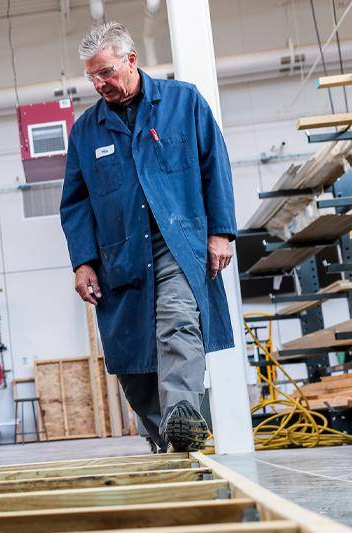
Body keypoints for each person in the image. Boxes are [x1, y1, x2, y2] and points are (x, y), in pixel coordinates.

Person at [60, 22, 237, 452]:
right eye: (92, 76)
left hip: (178, 244)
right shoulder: (86, 130)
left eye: (106, 72)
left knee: (178, 325)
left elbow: (216, 167)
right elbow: (75, 202)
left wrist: (221, 232)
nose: (100, 83)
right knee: (132, 361)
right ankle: (171, 440)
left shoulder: (183, 102)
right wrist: (83, 262)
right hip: (119, 256)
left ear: (131, 60)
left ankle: (181, 416)